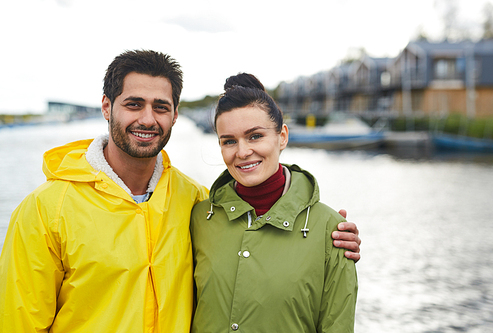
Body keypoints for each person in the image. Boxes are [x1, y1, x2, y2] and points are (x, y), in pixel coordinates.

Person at [0, 51, 360, 332]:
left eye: (161, 107)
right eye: (133, 104)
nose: (147, 118)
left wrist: (329, 236)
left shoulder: (196, 201)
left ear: (175, 116)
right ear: (107, 107)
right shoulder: (46, 210)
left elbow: (254, 238)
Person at [190, 73, 358, 332]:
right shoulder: (199, 218)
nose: (243, 152)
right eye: (229, 141)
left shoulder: (331, 230)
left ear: (282, 136)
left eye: (255, 136)